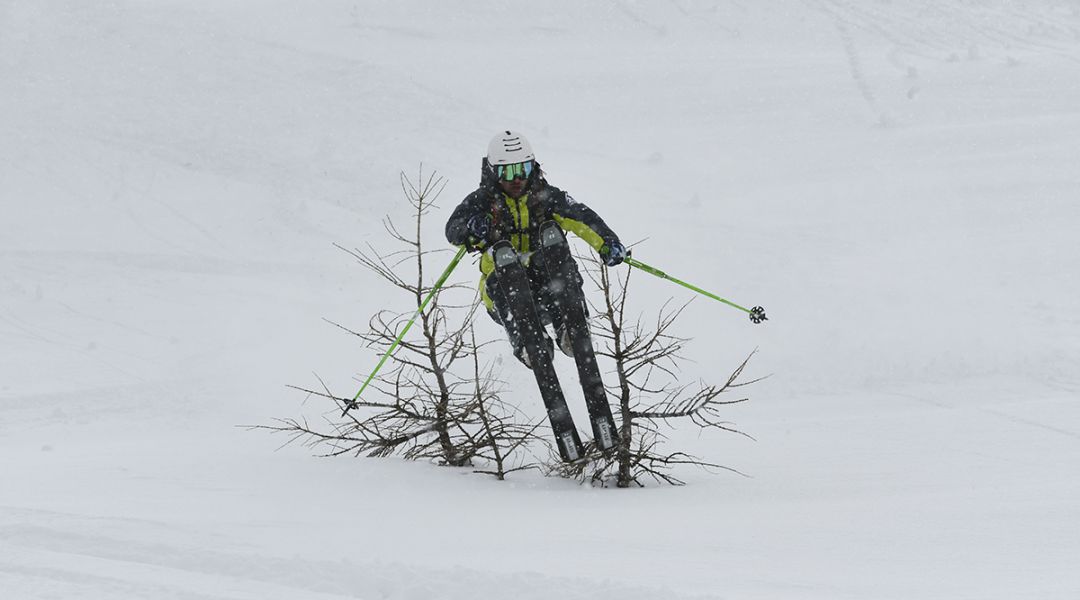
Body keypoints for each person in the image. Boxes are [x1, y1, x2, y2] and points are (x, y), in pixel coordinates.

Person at [445, 130, 627, 368]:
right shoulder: (482, 201)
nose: (517, 178)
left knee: (552, 250)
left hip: (548, 291)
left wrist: (608, 243)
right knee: (506, 263)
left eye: (524, 169)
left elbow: (581, 217)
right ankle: (529, 341)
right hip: (503, 293)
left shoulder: (546, 196)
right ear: (494, 172)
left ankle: (570, 326)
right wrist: (472, 227)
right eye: (508, 172)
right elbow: (453, 230)